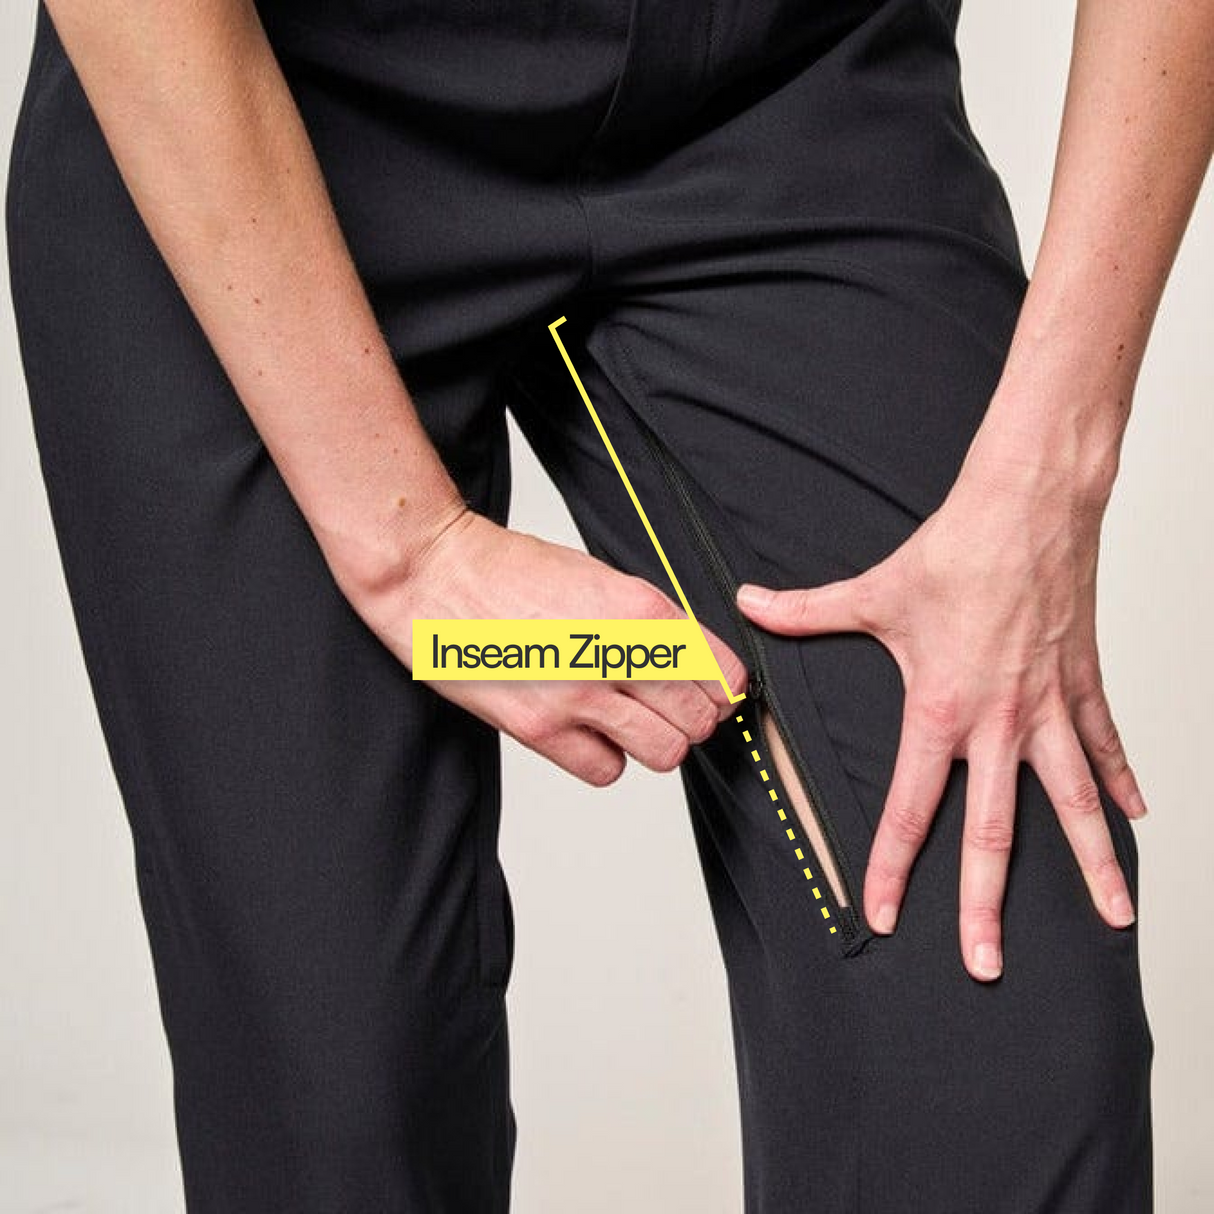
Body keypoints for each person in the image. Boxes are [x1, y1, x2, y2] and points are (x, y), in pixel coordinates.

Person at [6, 0, 1210, 1209]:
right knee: (341, 1101)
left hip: (786, 86)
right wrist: (408, 553)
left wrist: (1047, 473)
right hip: (258, 101)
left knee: (994, 1044)